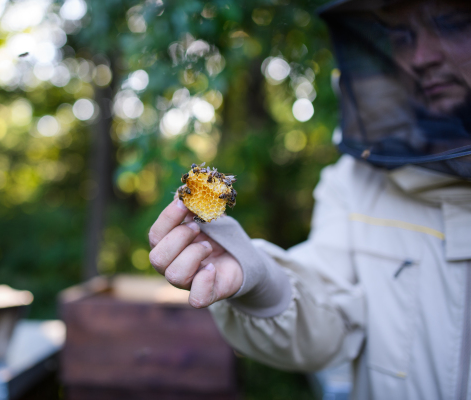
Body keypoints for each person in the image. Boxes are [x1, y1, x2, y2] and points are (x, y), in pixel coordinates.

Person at [148, 0, 471, 399]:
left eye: (450, 25)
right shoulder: (353, 181)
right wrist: (261, 282)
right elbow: (328, 321)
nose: (419, 57)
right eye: (402, 35)